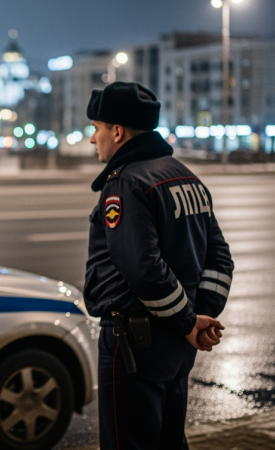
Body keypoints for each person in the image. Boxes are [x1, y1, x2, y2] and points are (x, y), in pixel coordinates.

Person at [83, 82, 234, 449]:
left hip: (135, 347)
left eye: (97, 129)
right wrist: (197, 317)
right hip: (176, 346)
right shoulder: (185, 176)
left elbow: (143, 268)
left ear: (117, 132)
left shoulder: (126, 183)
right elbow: (220, 260)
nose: (93, 139)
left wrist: (187, 322)